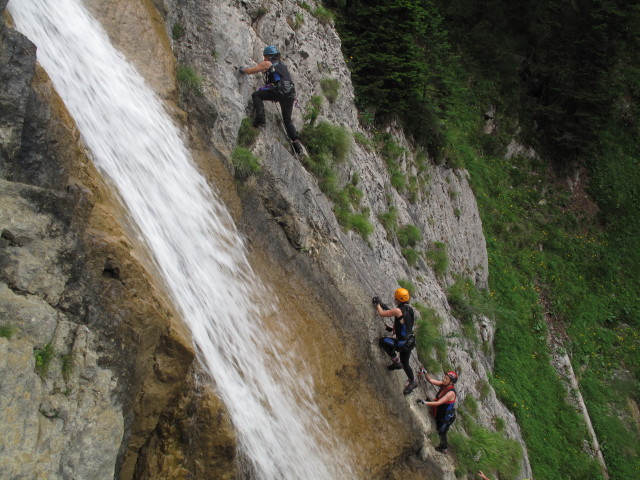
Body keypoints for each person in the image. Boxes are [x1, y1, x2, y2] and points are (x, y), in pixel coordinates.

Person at [239, 45, 303, 155]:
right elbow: (280, 77)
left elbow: (250, 71)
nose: (264, 59)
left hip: (279, 91)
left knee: (256, 95)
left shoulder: (268, 63)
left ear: (268, 56)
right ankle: (297, 146)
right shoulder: (282, 65)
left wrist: (242, 69)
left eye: (264, 57)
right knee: (287, 120)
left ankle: (260, 119)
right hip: (290, 94)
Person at [373, 288, 418, 395]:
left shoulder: (398, 310)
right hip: (410, 341)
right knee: (406, 363)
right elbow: (404, 322)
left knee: (382, 341)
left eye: (395, 297)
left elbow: (382, 313)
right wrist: (393, 328)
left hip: (401, 343)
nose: (394, 298)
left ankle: (396, 362)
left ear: (398, 299)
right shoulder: (409, 309)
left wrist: (377, 304)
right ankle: (412, 381)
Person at [416, 370, 458, 453]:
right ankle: (442, 446)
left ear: (451, 382)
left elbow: (438, 402)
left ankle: (444, 448)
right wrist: (425, 372)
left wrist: (424, 402)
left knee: (442, 432)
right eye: (444, 377)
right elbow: (431, 380)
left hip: (446, 417)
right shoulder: (444, 384)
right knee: (439, 428)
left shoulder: (451, 393)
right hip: (441, 412)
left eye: (446, 379)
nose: (443, 379)